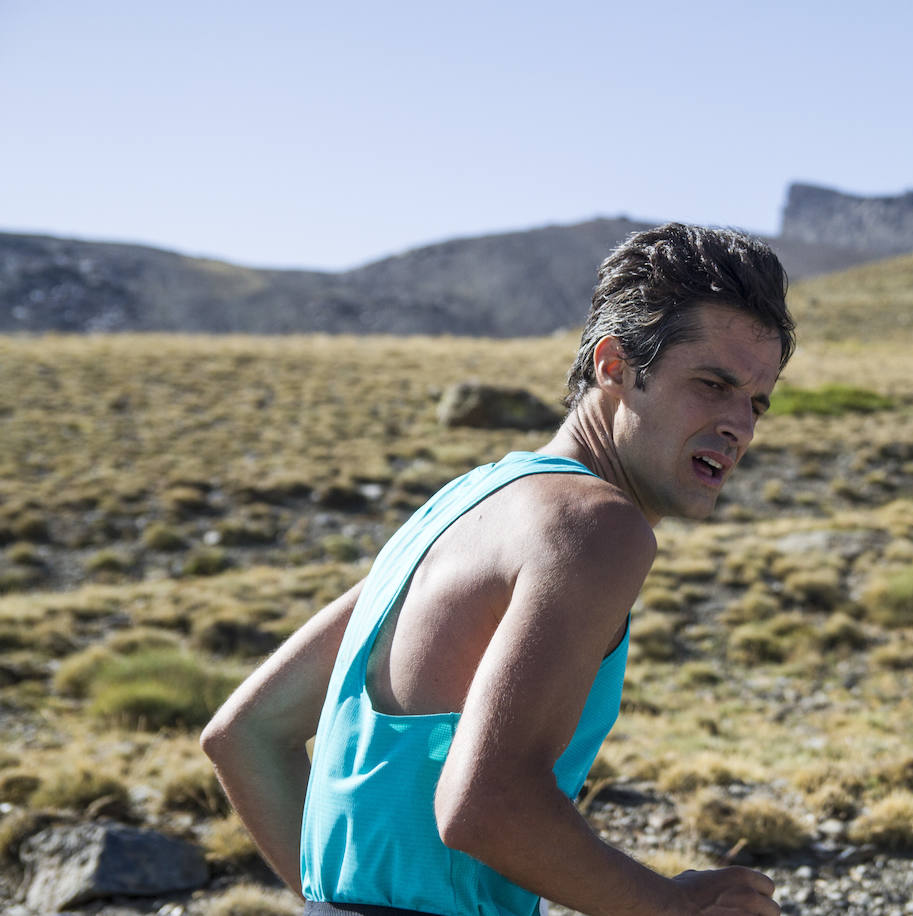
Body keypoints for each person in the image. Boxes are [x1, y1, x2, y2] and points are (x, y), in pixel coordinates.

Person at [201, 223, 796, 916]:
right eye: (712, 383)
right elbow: (486, 804)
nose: (739, 425)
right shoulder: (596, 527)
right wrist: (673, 908)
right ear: (613, 365)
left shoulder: (465, 507)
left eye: (756, 401)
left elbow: (245, 734)